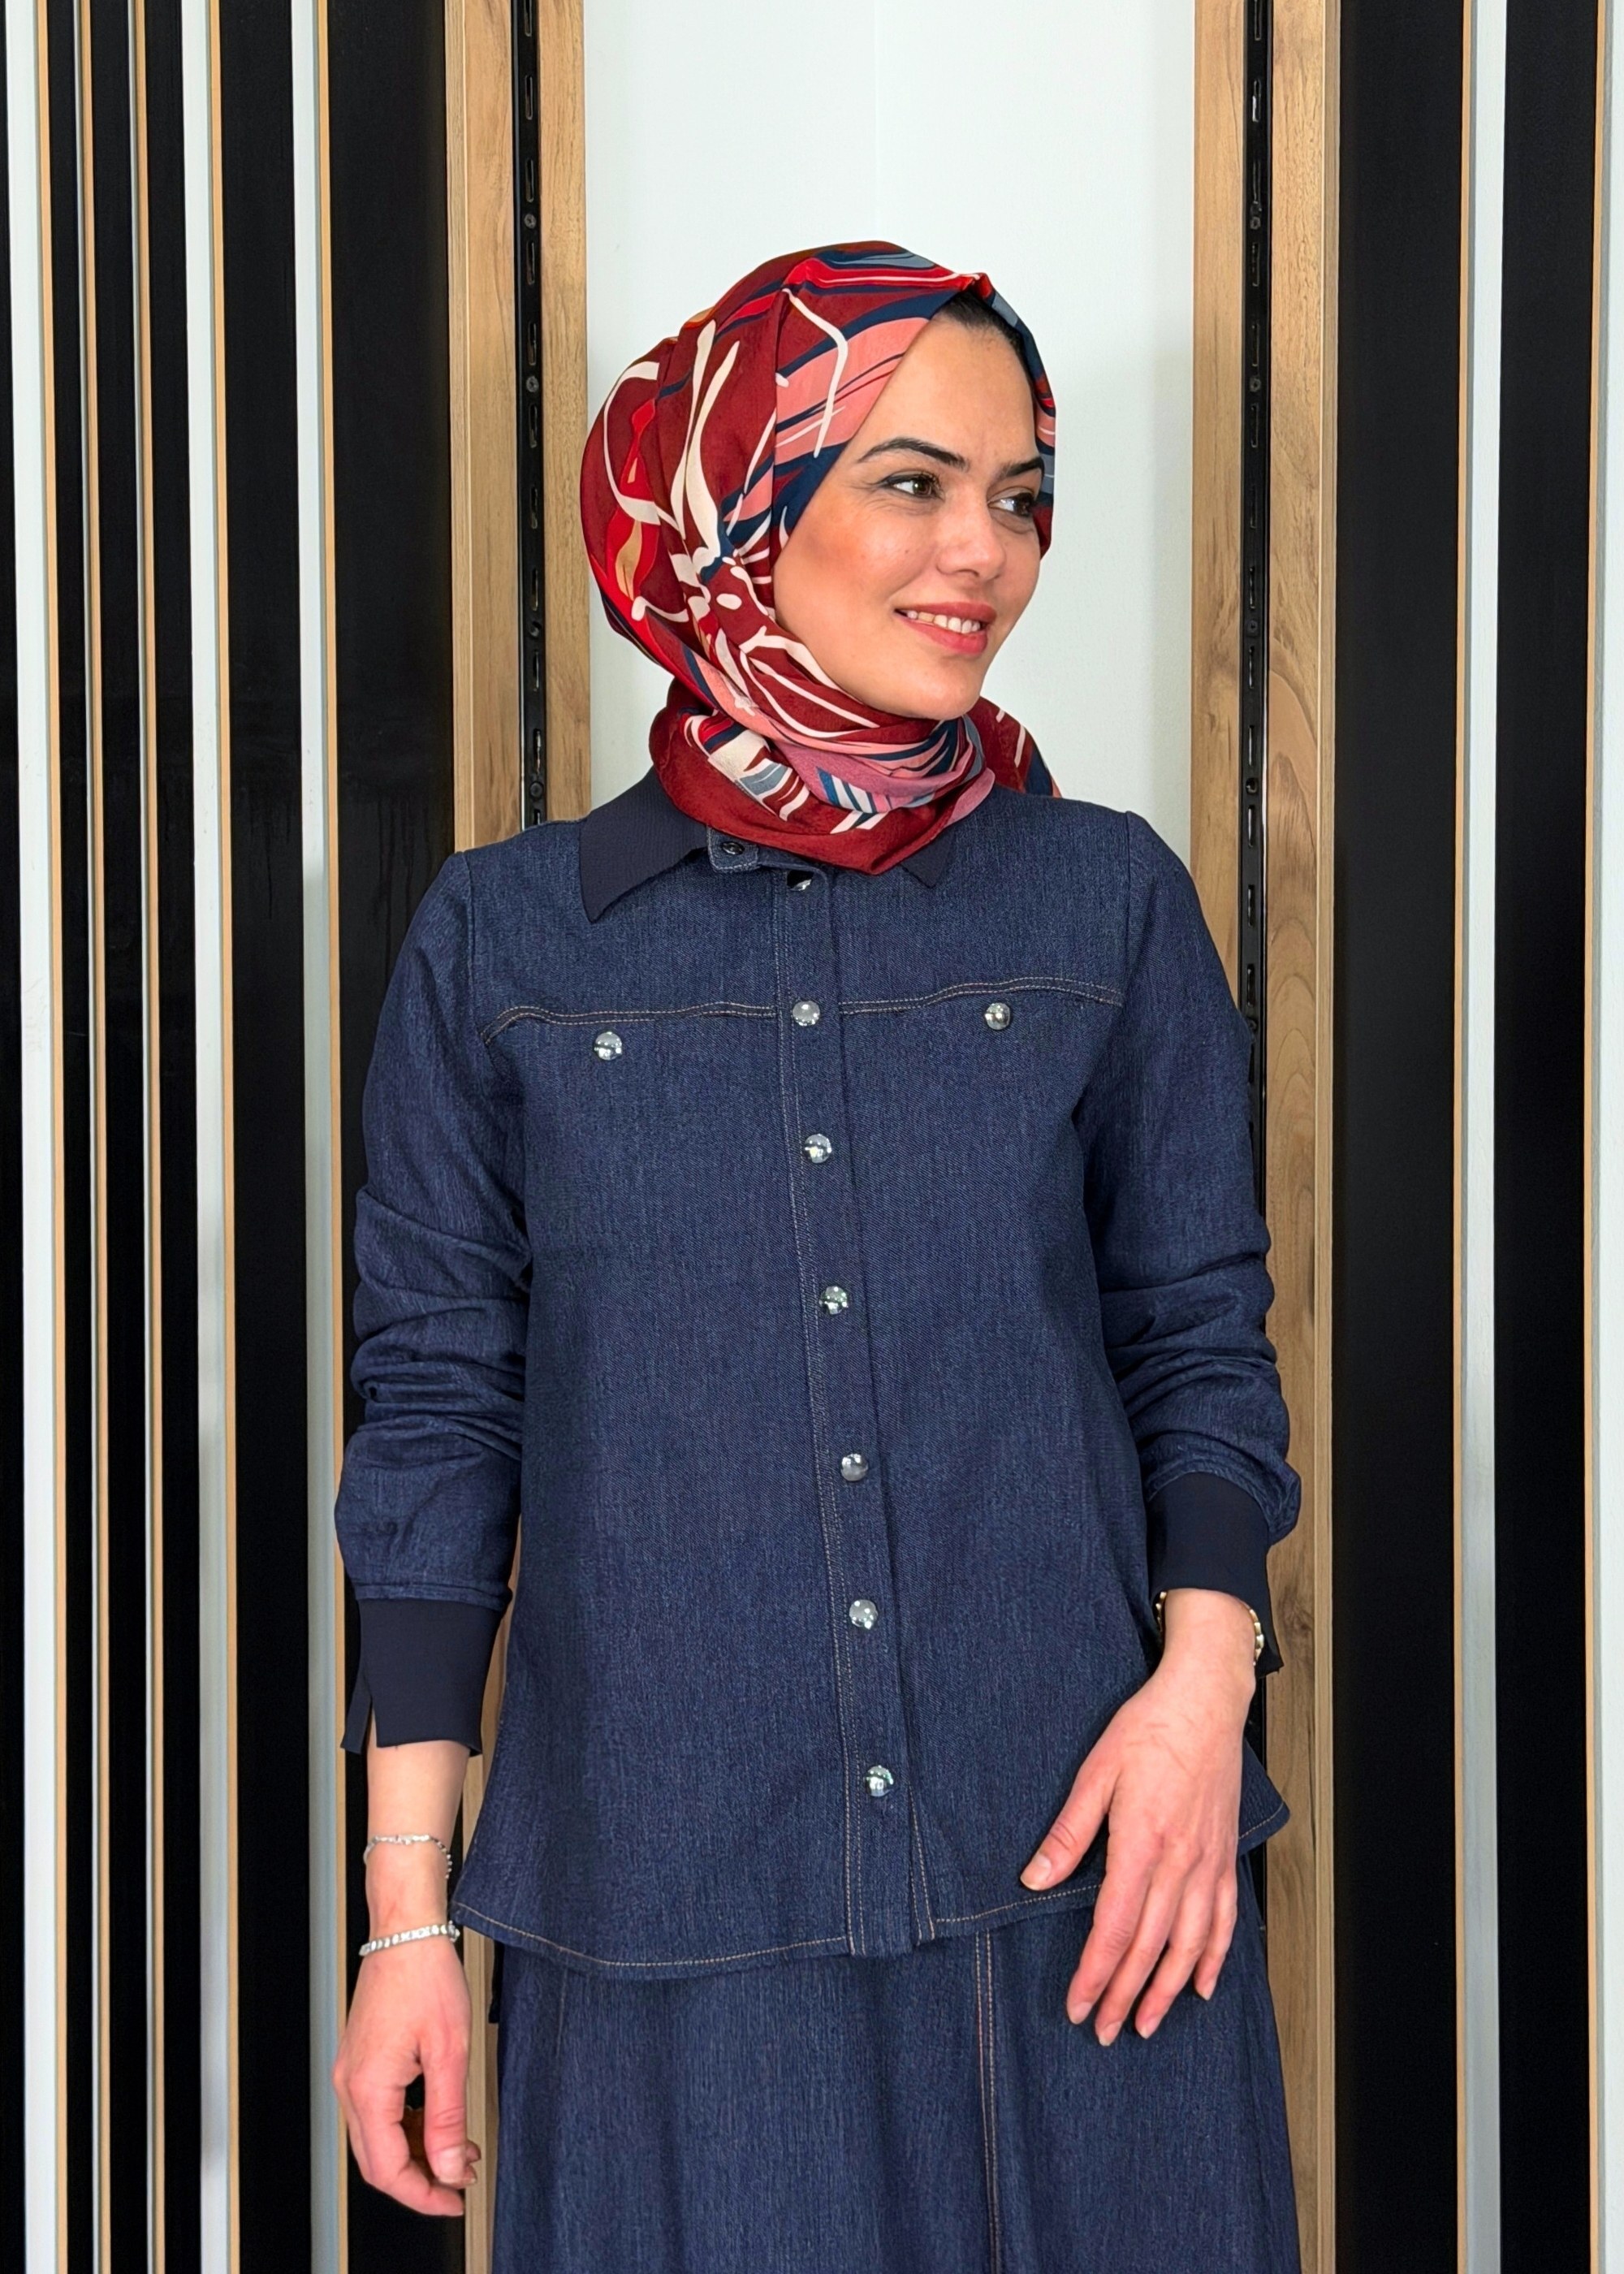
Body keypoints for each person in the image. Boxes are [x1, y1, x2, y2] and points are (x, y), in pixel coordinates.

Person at [330, 240, 1302, 2272]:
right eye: (911, 481)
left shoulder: (1105, 901)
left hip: (1092, 1882)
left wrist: (1202, 1696)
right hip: (665, 1927)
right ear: (737, 508)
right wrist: (406, 1916)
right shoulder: (507, 943)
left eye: (1021, 494)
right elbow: (434, 1433)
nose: (984, 552)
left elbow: (1198, 1336)